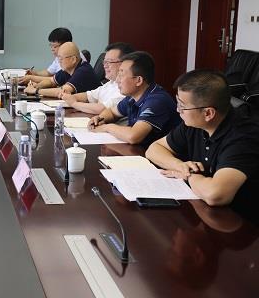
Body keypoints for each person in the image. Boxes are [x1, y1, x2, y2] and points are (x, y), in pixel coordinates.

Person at [146, 70, 259, 224]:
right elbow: (154, 149)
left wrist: (188, 175)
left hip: (241, 224)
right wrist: (179, 165)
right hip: (205, 211)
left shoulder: (243, 137)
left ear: (208, 113)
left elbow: (216, 195)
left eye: (182, 106)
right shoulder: (194, 123)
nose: (178, 110)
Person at [88, 51, 180, 146]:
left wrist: (107, 127)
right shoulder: (132, 97)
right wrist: (100, 119)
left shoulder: (157, 101)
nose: (117, 80)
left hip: (158, 153)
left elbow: (133, 136)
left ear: (138, 80)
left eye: (121, 75)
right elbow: (112, 112)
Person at [61, 42, 134, 115]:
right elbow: (89, 95)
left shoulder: (126, 88)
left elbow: (102, 109)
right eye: (105, 62)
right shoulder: (111, 83)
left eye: (109, 62)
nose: (105, 66)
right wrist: (69, 97)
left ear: (124, 63)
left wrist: (74, 103)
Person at [24, 42, 100, 98]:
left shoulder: (83, 71)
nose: (59, 61)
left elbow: (62, 91)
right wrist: (37, 86)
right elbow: (51, 81)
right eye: (58, 58)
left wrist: (36, 91)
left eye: (61, 58)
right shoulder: (68, 69)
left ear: (73, 59)